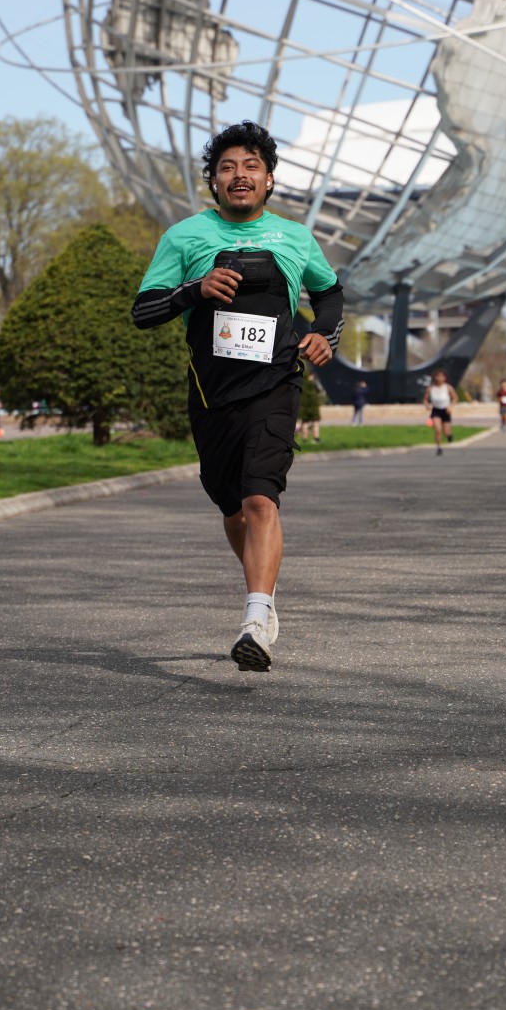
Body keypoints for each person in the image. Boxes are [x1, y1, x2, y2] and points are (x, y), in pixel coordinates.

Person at [132, 120, 344, 673]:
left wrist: (324, 334)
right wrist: (194, 289)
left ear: (269, 180)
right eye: (227, 167)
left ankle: (255, 618)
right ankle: (262, 591)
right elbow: (143, 311)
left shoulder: (295, 237)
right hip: (212, 394)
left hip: (275, 384)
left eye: (252, 166)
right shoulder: (184, 237)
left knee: (260, 501)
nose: (240, 175)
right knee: (233, 509)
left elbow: (329, 293)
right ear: (214, 182)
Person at [426, 369, 455, 454]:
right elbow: (425, 399)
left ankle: (449, 435)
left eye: (442, 377)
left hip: (445, 410)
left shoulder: (448, 387)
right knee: (438, 429)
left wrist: (451, 406)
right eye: (437, 376)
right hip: (436, 410)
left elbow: (455, 398)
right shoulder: (431, 388)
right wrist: (427, 405)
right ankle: (439, 447)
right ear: (435, 377)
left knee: (446, 432)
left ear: (445, 378)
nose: (439, 378)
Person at [297, 371, 322, 443]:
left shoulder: (302, 384)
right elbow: (319, 391)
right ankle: (316, 439)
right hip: (313, 406)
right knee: (315, 422)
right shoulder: (314, 383)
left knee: (304, 422)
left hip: (304, 406)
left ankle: (304, 440)